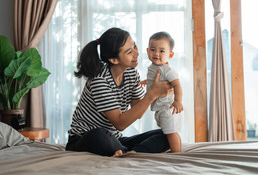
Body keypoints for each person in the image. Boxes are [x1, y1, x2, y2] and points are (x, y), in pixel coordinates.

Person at [65, 27, 173, 157]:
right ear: (114, 60)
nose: (136, 53)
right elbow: (120, 123)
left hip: (114, 139)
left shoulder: (131, 73)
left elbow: (138, 111)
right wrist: (152, 94)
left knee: (167, 133)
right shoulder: (99, 81)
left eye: (134, 46)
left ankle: (129, 152)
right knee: (98, 135)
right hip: (84, 139)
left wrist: (153, 89)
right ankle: (126, 151)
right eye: (129, 52)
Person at [144, 31, 184, 153]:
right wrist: (147, 81)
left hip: (168, 107)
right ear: (147, 51)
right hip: (160, 108)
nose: (156, 53)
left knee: (171, 132)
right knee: (169, 131)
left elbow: (177, 85)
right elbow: (156, 80)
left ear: (170, 55)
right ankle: (177, 150)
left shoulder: (167, 70)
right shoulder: (153, 67)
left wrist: (178, 101)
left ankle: (177, 153)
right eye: (153, 49)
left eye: (162, 51)